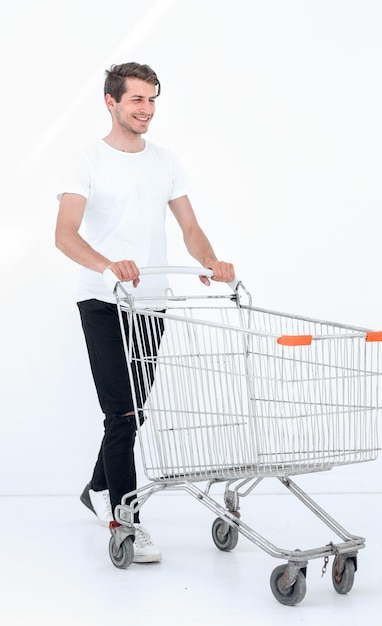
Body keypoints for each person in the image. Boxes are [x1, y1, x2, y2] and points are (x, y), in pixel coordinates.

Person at [55, 62, 235, 563]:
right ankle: (125, 518)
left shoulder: (165, 160)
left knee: (132, 414)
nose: (146, 109)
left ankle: (97, 487)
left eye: (152, 100)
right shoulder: (86, 161)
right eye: (137, 99)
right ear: (111, 102)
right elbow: (64, 233)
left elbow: (190, 227)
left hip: (152, 302)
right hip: (103, 299)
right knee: (122, 412)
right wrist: (108, 265)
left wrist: (210, 262)